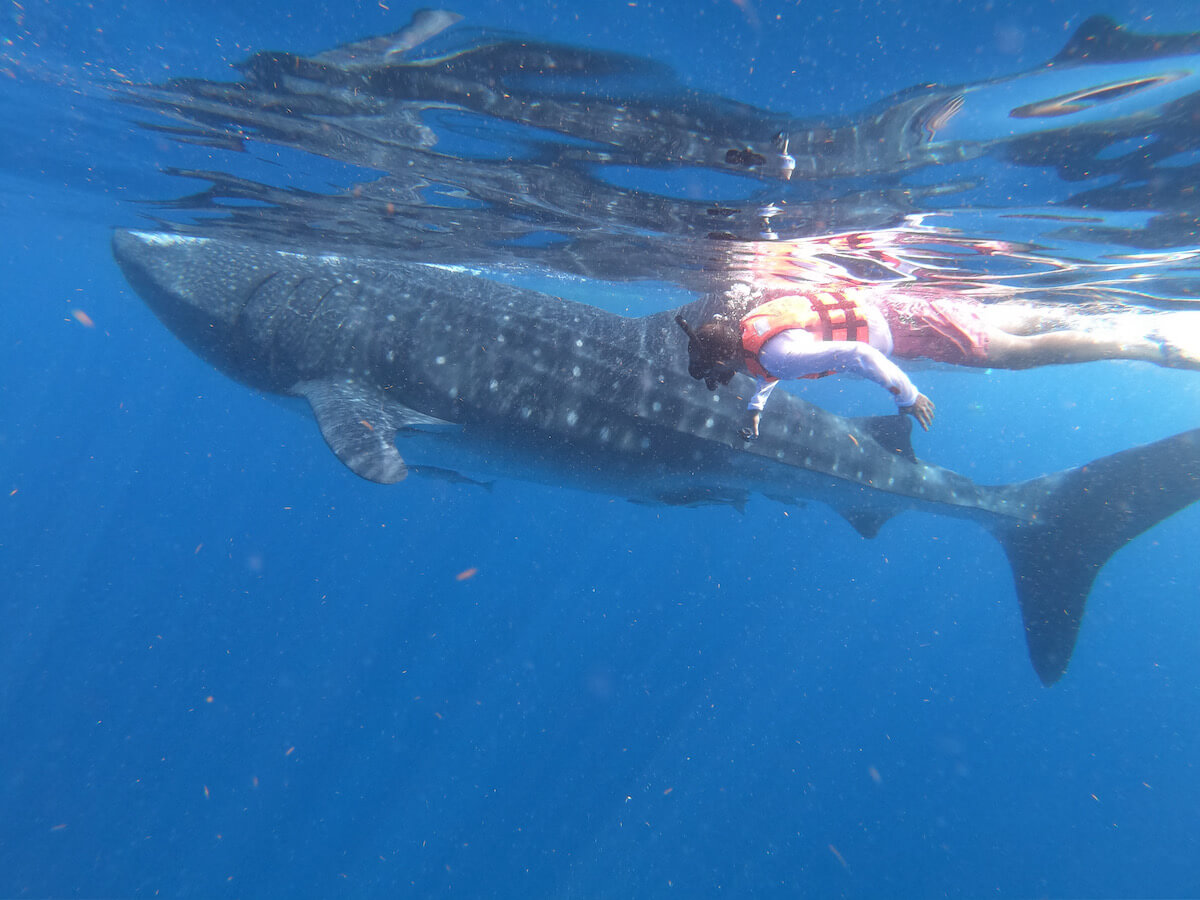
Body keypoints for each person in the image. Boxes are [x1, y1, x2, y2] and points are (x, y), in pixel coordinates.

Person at [677, 281, 1198, 440]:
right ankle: (1111, 317)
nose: (726, 378)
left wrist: (908, 395)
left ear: (726, 357)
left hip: (918, 335)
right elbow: (779, 361)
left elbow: (856, 353)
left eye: (719, 373)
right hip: (917, 306)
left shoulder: (771, 356)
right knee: (1019, 320)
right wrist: (755, 408)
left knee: (1020, 357)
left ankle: (1147, 346)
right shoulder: (756, 327)